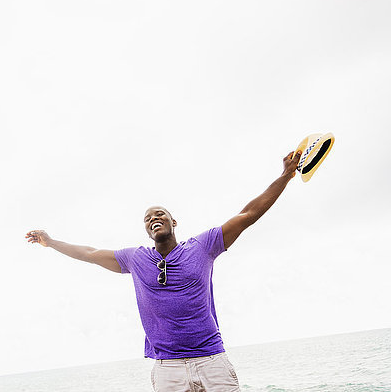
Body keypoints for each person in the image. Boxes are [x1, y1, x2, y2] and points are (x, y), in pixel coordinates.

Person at [25, 150, 302, 392]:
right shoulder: (135, 259)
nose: (154, 218)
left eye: (160, 214)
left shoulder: (203, 246)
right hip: (167, 369)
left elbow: (247, 215)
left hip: (211, 361)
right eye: (148, 218)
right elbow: (90, 254)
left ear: (173, 221)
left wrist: (285, 176)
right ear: (147, 230)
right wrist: (51, 242)